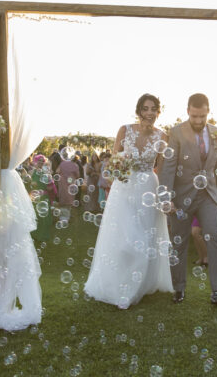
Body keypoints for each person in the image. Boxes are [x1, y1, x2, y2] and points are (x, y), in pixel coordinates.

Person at [84, 93, 173, 308]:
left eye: (154, 109)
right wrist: (116, 171)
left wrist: (163, 196)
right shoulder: (125, 130)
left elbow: (159, 169)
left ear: (158, 112)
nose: (150, 113)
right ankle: (117, 282)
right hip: (124, 188)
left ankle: (137, 286)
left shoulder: (162, 136)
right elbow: (114, 161)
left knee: (143, 237)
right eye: (146, 108)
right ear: (139, 110)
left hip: (148, 188)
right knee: (122, 237)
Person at [159, 93, 217, 308]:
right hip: (181, 198)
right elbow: (169, 167)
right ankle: (179, 289)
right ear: (187, 111)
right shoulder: (176, 133)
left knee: (216, 238)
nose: (198, 121)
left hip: (208, 195)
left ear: (208, 111)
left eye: (202, 116)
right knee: (179, 243)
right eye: (194, 116)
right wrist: (166, 196)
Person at [30, 155, 56, 242]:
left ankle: (43, 236)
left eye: (42, 161)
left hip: (44, 197)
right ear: (35, 162)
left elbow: (49, 189)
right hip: (34, 197)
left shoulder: (46, 173)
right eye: (39, 160)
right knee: (35, 217)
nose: (41, 162)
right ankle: (34, 234)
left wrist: (50, 182)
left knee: (45, 218)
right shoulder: (31, 173)